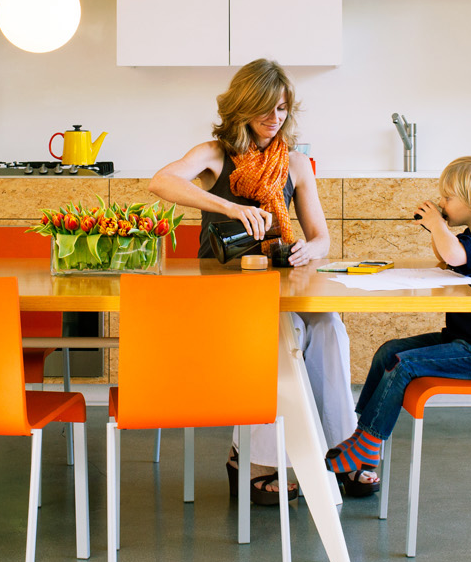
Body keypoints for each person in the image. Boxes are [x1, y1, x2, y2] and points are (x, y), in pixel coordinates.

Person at [149, 58, 375, 502]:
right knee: (279, 334)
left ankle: (341, 450)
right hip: (227, 294)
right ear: (242, 107)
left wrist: (311, 249)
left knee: (329, 328)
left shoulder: (295, 163)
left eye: (283, 109)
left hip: (280, 285)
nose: (275, 119)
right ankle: (256, 459)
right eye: (266, 109)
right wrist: (231, 208)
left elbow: (322, 237)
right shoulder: (215, 156)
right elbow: (161, 182)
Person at [325, 155, 471, 485]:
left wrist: (439, 225)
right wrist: (438, 227)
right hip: (465, 342)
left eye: (448, 197)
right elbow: (448, 256)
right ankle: (363, 436)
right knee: (390, 351)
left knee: (403, 364)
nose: (442, 202)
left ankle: (369, 445)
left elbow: (454, 255)